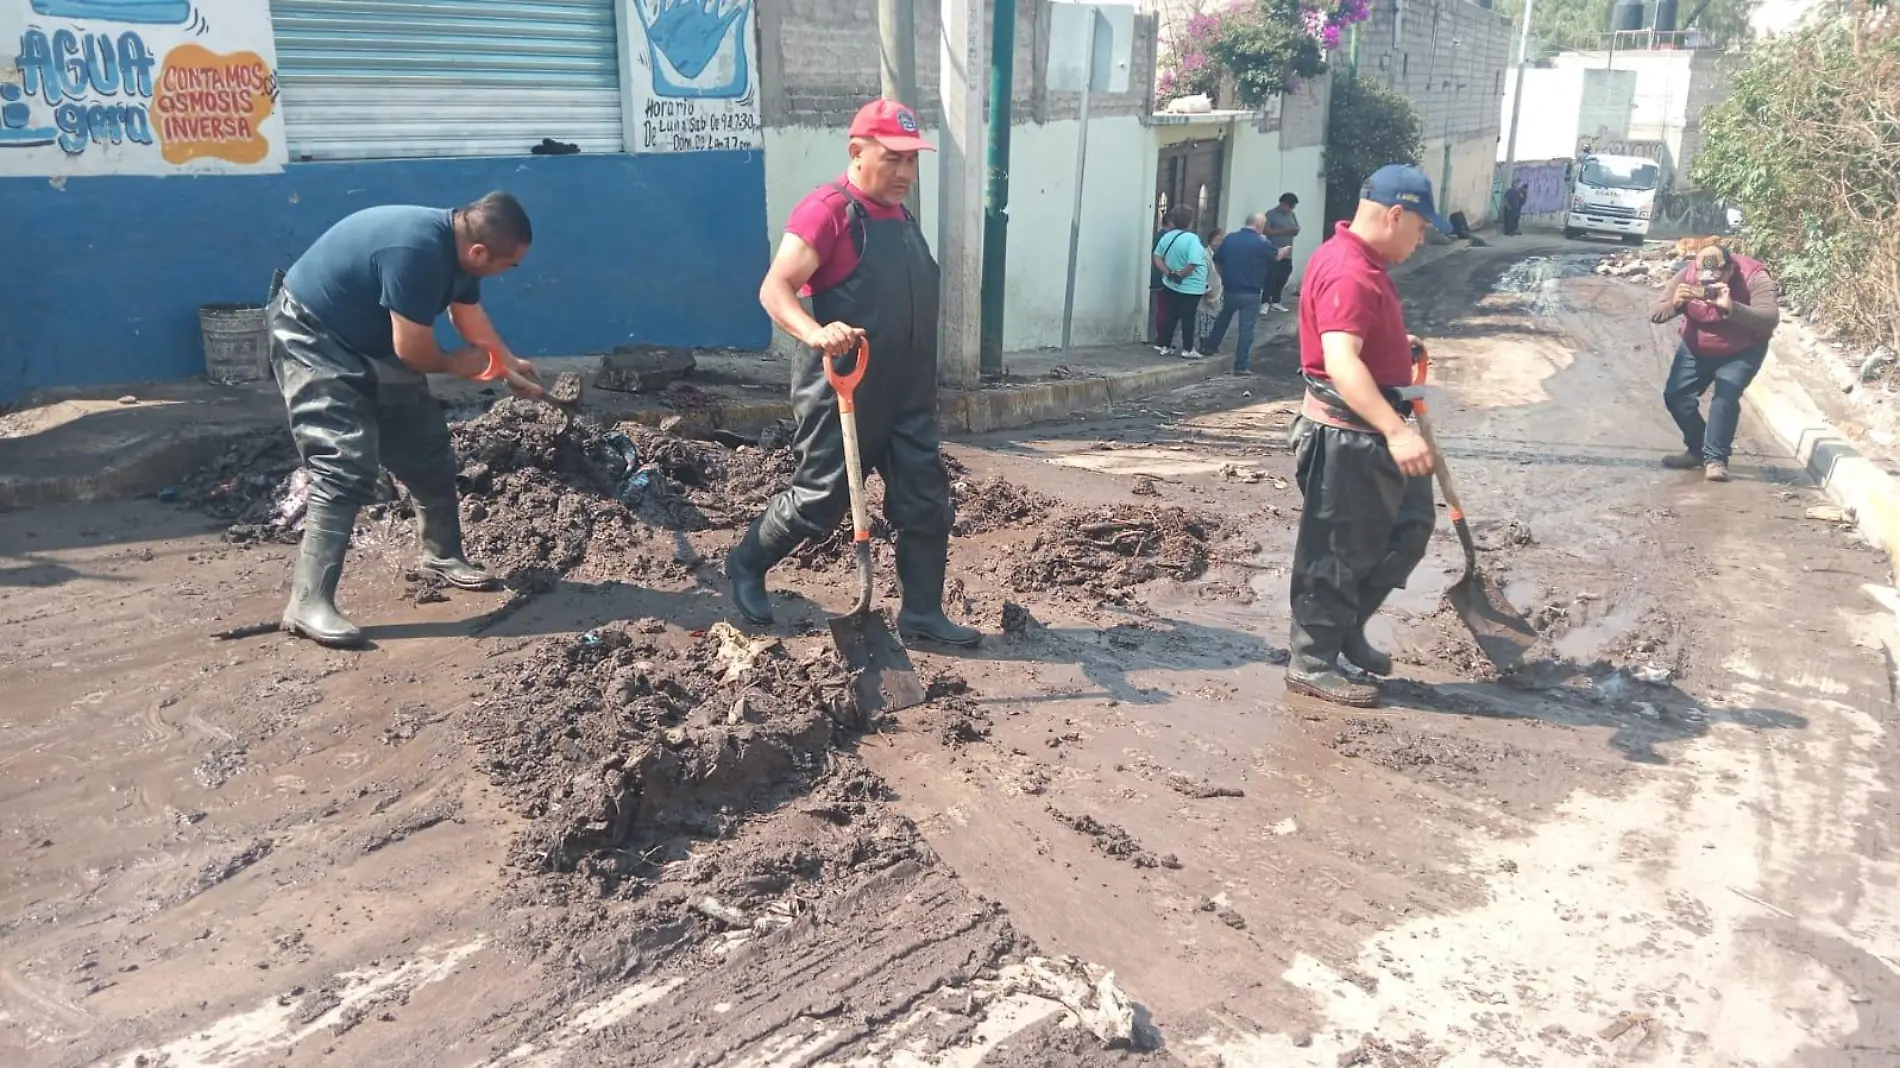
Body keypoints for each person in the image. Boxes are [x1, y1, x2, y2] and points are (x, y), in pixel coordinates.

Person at [725, 99, 981, 648]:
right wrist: (814, 332)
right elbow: (775, 288)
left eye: (912, 162)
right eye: (893, 159)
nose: (905, 174)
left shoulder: (902, 218)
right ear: (856, 152)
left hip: (908, 389)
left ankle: (922, 613)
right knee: (821, 498)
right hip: (845, 385)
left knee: (925, 500)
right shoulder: (828, 210)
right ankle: (746, 562)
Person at [268, 193, 542, 648]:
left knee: (424, 445)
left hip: (371, 340)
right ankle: (306, 602)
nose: (507, 274)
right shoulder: (416, 253)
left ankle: (442, 555)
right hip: (314, 336)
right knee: (343, 460)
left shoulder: (459, 252)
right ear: (479, 252)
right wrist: (463, 366)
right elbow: (414, 351)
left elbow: (467, 313)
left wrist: (507, 363)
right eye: (508, 266)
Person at [1285, 164, 1447, 708]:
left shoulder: (1361, 263)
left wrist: (1397, 342)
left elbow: (1357, 339)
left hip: (1374, 427)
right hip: (1350, 435)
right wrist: (1396, 431)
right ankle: (1312, 661)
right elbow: (1341, 362)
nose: (1421, 240)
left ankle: (1347, 625)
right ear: (1395, 214)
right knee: (1335, 551)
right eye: (1420, 228)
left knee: (1411, 526)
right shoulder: (1351, 271)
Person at [1650, 242, 1781, 482]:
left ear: (1730, 270)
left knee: (1725, 397)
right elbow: (1655, 313)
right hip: (1696, 346)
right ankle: (1697, 450)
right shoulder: (1686, 274)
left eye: (1715, 280)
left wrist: (1732, 307)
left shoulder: (1754, 276)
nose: (1707, 286)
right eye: (1703, 281)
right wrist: (1675, 304)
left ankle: (1716, 459)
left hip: (1742, 349)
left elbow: (1770, 318)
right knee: (1676, 396)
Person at [1200, 213, 1276, 373]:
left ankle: (1210, 347)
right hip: (1251, 292)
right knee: (1246, 329)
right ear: (1258, 225)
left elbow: (1217, 260)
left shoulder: (1230, 239)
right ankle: (1241, 365)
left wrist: (1224, 277)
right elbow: (1275, 256)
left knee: (1223, 318)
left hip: (1231, 289)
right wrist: (1284, 250)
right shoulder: (1260, 242)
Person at [1151, 205, 1209, 357]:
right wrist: (1181, 274)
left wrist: (1167, 272)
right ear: (1190, 222)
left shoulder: (1167, 236)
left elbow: (1157, 256)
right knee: (1188, 317)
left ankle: (1165, 345)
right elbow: (1194, 261)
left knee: (1171, 315)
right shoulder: (1192, 239)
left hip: (1170, 283)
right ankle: (1188, 348)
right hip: (1191, 286)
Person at [1262, 192, 1301, 312]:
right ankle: (1264, 302)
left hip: (1288, 252)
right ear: (1282, 203)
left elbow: (1296, 229)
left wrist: (1294, 231)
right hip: (1274, 251)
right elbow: (1266, 230)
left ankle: (1276, 300)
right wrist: (1287, 230)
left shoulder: (1292, 215)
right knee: (1271, 277)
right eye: (1289, 206)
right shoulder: (1271, 214)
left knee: (1283, 276)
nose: (1290, 209)